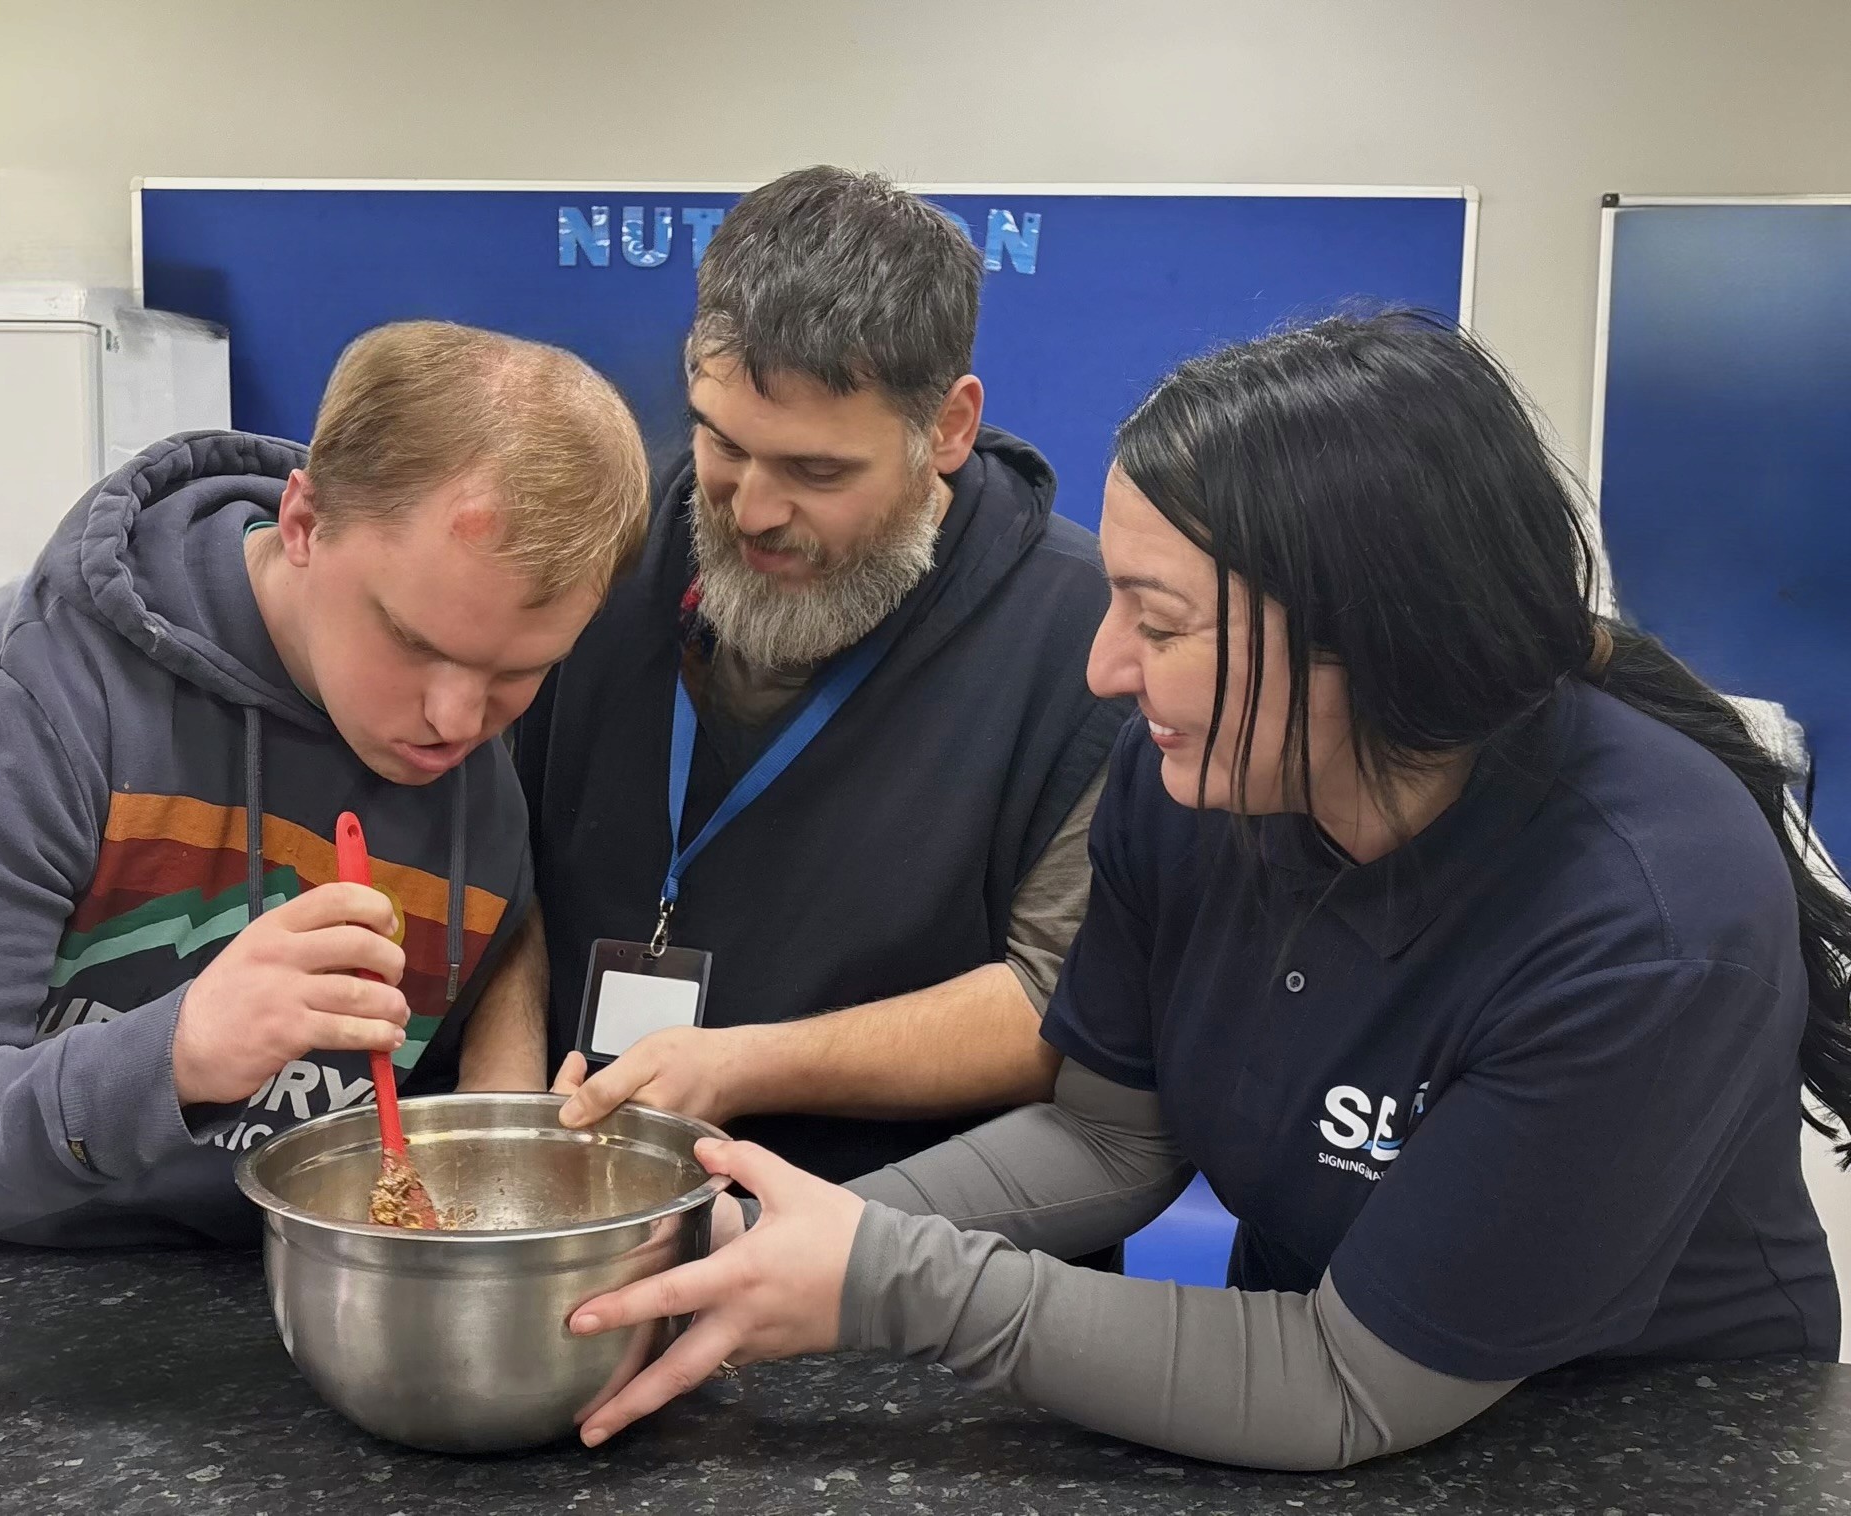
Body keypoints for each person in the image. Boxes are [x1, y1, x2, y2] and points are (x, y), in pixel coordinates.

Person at [560, 311, 1848, 1469]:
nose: (1106, 668)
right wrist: (765, 1235)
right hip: (1296, 1361)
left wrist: (893, 1279)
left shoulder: (1644, 921)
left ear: (1376, 643)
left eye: (1160, 625)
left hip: (1636, 1431)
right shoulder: (1199, 776)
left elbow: (1352, 1386)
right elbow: (1112, 1136)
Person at [0, 321, 648, 1266]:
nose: (457, 718)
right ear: (303, 523)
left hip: (297, 1312)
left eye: (516, 673)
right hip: (5, 1306)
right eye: (414, 642)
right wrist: (176, 1054)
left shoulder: (473, 768)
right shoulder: (48, 694)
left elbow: (495, 963)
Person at [519, 166, 1128, 1183]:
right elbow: (498, 855)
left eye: (815, 472)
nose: (749, 509)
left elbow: (1053, 1006)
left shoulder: (1090, 643)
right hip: (581, 1202)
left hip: (898, 1252)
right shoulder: (607, 537)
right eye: (722, 441)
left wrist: (745, 1066)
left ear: (947, 428)